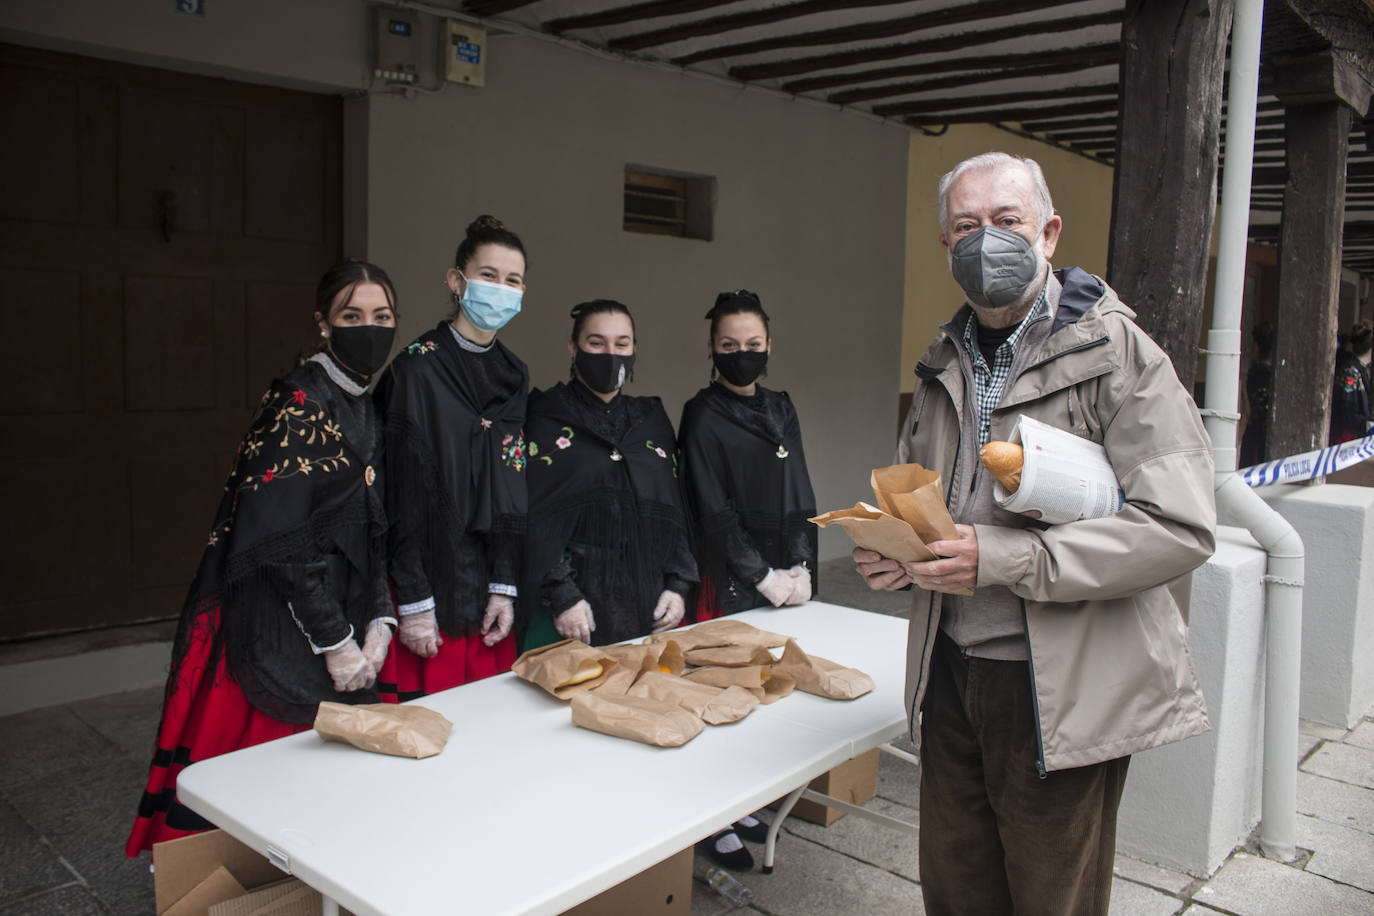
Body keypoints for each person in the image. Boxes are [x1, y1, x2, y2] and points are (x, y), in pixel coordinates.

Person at [853, 152, 1215, 916]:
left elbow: (1178, 528)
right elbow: (917, 489)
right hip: (949, 671)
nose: (987, 241)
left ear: (1049, 232)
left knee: (1053, 899)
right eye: (966, 227)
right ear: (947, 248)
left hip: (1058, 686)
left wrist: (1009, 559)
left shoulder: (1121, 358)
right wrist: (893, 549)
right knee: (955, 891)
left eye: (1006, 221)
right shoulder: (940, 361)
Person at [127, 260, 398, 855]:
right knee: (262, 789)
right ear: (323, 324)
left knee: (331, 796)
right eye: (352, 316)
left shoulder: (366, 404)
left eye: (382, 317)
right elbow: (282, 541)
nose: (370, 329)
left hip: (347, 609)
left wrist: (380, 618)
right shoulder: (295, 401)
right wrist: (338, 641)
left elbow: (376, 523)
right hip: (285, 620)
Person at [375, 215, 529, 699]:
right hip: (428, 576)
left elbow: (511, 479)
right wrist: (415, 601)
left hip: (487, 581)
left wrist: (505, 583)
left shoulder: (514, 374)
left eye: (513, 280)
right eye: (488, 276)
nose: (500, 289)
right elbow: (399, 490)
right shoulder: (416, 370)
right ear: (456, 280)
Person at [520, 300, 697, 650]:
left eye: (622, 344)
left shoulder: (650, 420)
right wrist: (563, 596)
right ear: (573, 348)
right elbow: (532, 516)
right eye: (596, 343)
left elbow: (672, 508)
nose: (610, 354)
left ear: (634, 350)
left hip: (647, 602)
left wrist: (677, 587)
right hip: (572, 609)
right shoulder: (545, 416)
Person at [679, 289, 817, 619]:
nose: (742, 354)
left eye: (753, 345)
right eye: (729, 345)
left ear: (769, 346)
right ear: (711, 349)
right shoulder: (701, 414)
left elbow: (799, 490)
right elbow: (710, 506)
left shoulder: (782, 408)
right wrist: (761, 576)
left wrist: (802, 564)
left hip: (787, 570)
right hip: (731, 575)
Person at [1330, 320, 1372, 444]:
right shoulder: (1351, 371)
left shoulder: (1359, 370)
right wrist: (1367, 425)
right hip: (1346, 442)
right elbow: (1347, 412)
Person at [1239, 320, 1275, 466]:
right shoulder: (1268, 375)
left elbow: (1247, 408)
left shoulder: (1253, 373)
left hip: (1252, 430)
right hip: (1262, 433)